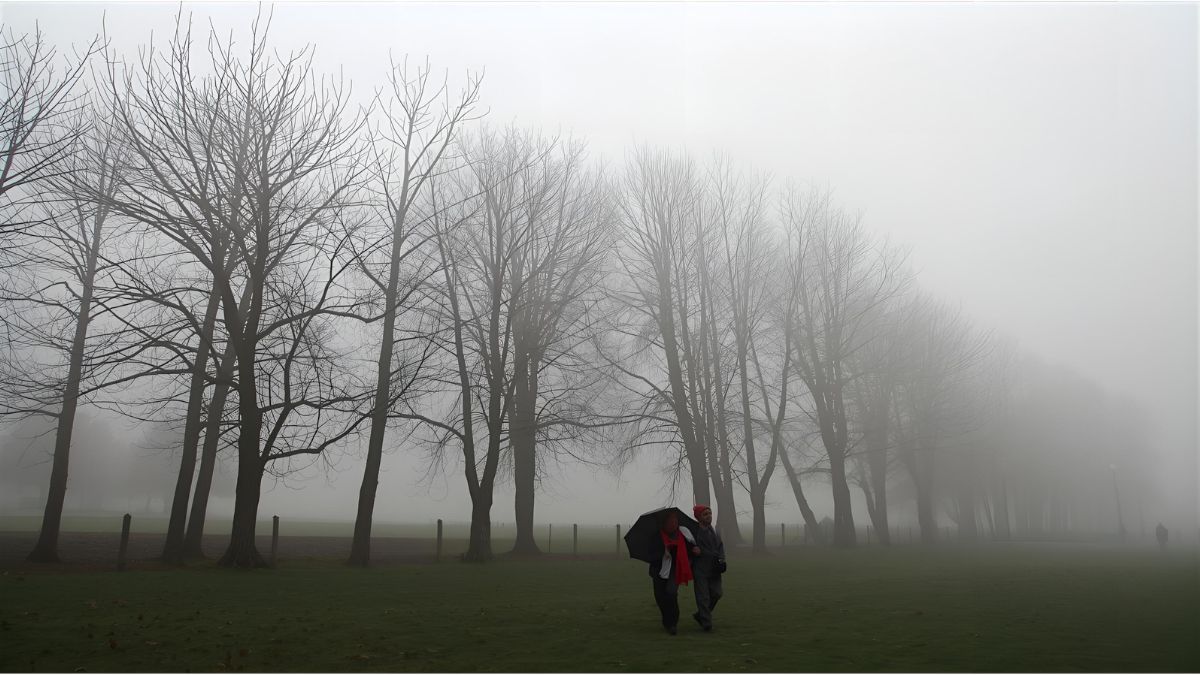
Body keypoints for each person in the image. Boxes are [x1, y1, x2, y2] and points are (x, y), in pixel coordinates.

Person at [646, 510, 696, 635]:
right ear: (664, 523)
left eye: (675, 520)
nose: (673, 523)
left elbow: (690, 548)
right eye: (670, 521)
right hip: (659, 570)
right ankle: (666, 619)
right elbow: (651, 555)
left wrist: (695, 549)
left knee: (671, 593)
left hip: (675, 569)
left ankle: (672, 623)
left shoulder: (684, 534)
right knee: (660, 596)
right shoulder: (657, 537)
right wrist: (664, 551)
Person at [689, 504, 725, 632]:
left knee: (717, 593)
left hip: (714, 568)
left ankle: (701, 615)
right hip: (700, 569)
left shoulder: (714, 531)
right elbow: (691, 549)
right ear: (699, 517)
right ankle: (706, 623)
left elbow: (720, 546)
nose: (709, 516)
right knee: (703, 596)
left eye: (709, 513)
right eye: (705, 514)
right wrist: (694, 550)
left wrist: (722, 559)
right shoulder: (694, 533)